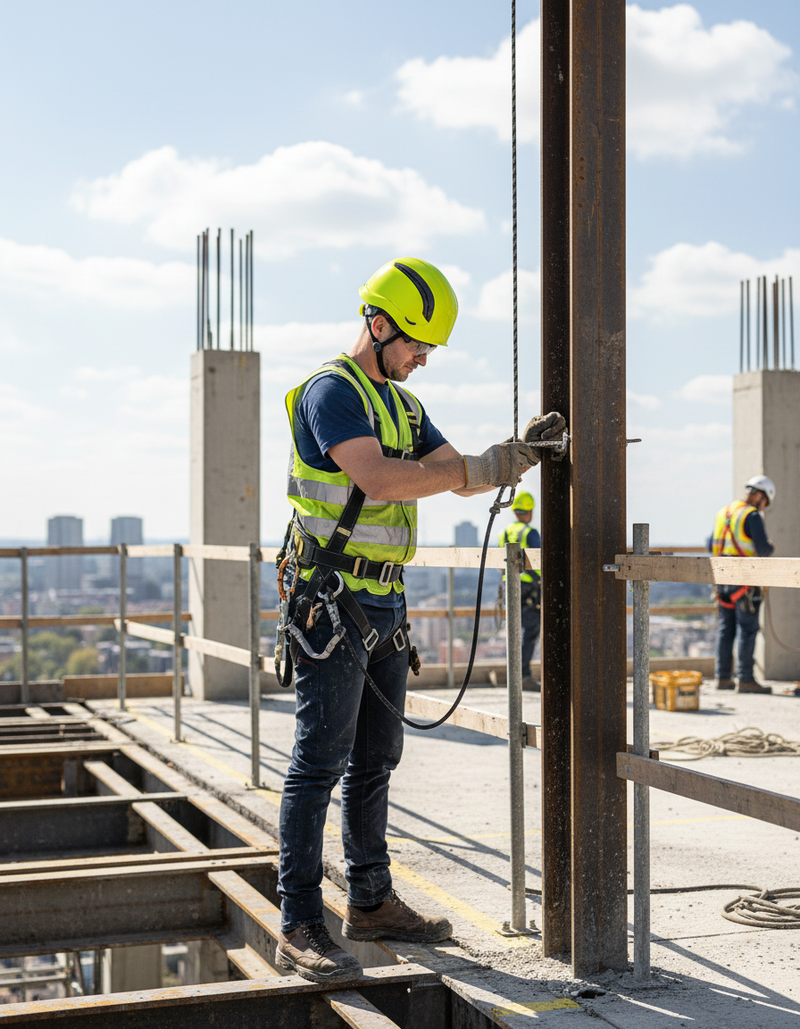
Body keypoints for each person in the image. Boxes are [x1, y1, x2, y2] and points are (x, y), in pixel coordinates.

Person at [274, 257, 565, 983]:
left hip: (383, 600)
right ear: (376, 324)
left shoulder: (403, 405)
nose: (422, 358)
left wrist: (515, 458)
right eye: (414, 343)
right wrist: (476, 467)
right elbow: (380, 477)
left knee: (376, 759)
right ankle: (299, 921)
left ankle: (370, 900)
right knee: (319, 763)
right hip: (332, 598)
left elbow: (450, 469)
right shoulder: (331, 393)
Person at [710, 475, 775, 694]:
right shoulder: (751, 515)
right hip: (743, 580)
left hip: (722, 579)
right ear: (759, 496)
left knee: (725, 628)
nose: (764, 507)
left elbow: (711, 543)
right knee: (748, 629)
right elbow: (763, 550)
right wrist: (770, 547)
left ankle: (722, 677)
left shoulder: (723, 513)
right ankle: (746, 679)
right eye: (765, 502)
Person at [498, 492, 541, 690]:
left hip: (510, 585)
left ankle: (513, 674)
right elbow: (539, 563)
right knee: (530, 631)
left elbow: (500, 562)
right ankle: (522, 675)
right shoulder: (531, 534)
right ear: (529, 511)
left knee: (514, 630)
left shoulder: (504, 532)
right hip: (529, 588)